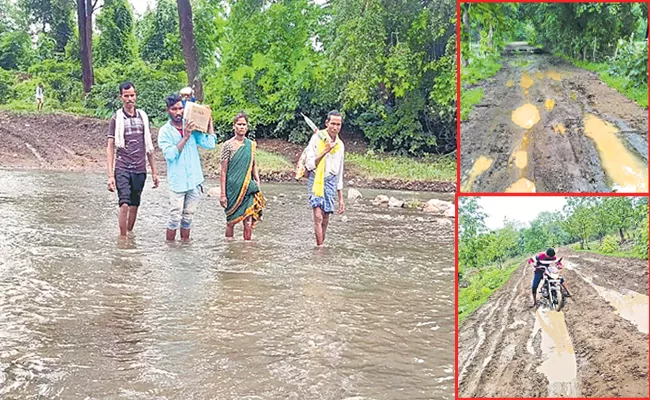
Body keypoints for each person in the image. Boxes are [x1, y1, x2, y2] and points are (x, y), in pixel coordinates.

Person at [158, 94, 216, 241]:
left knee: (188, 217)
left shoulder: (191, 125)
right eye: (174, 109)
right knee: (174, 218)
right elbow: (170, 155)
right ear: (168, 110)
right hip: (177, 182)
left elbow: (210, 144)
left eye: (180, 108)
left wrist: (209, 123)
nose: (178, 112)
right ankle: (170, 249)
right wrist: (185, 137)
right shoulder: (165, 131)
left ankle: (185, 247)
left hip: (194, 181)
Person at [107, 81, 159, 238]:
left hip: (140, 169)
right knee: (124, 203)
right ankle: (122, 239)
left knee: (135, 205)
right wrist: (110, 176)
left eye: (132, 95)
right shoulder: (116, 119)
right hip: (122, 167)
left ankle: (129, 234)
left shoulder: (143, 117)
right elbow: (110, 147)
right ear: (121, 97)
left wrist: (154, 173)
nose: (130, 99)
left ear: (136, 96)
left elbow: (149, 146)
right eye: (126, 96)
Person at [219, 112, 266, 240]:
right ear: (234, 126)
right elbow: (223, 171)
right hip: (233, 188)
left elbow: (253, 164)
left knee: (248, 220)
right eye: (239, 124)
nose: (242, 127)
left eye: (244, 125)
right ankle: (229, 244)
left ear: (247, 127)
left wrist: (257, 179)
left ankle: (247, 246)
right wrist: (223, 194)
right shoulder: (227, 145)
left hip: (247, 187)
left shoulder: (251, 145)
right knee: (231, 221)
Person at [304, 110, 345, 246]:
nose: (335, 127)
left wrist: (341, 199)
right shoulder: (317, 138)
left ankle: (321, 243)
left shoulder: (340, 145)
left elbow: (339, 172)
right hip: (316, 178)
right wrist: (325, 150)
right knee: (317, 216)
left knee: (326, 217)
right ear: (327, 123)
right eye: (332, 123)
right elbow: (310, 164)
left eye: (338, 124)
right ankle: (320, 247)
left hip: (331, 181)